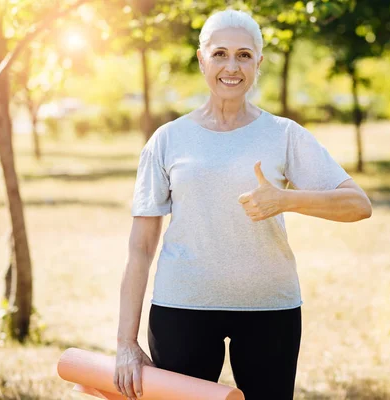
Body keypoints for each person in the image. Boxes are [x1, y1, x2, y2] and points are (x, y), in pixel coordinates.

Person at [113, 9, 372, 400]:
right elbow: (140, 246)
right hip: (182, 308)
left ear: (259, 63)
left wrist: (286, 200)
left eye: (244, 55)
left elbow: (358, 204)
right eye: (219, 54)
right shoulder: (167, 140)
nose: (231, 66)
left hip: (270, 309)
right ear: (201, 59)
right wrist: (125, 342)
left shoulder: (284, 135)